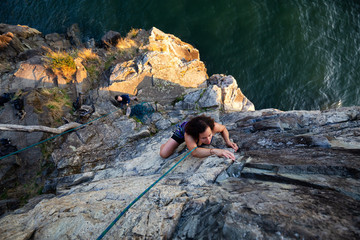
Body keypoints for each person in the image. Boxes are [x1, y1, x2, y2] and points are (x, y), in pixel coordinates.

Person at [160, 115, 238, 160]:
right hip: (182, 131)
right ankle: (165, 144)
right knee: (164, 154)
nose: (208, 141)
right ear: (196, 136)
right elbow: (195, 152)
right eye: (204, 138)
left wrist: (228, 141)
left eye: (210, 135)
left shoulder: (213, 127)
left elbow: (223, 129)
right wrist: (215, 151)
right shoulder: (189, 135)